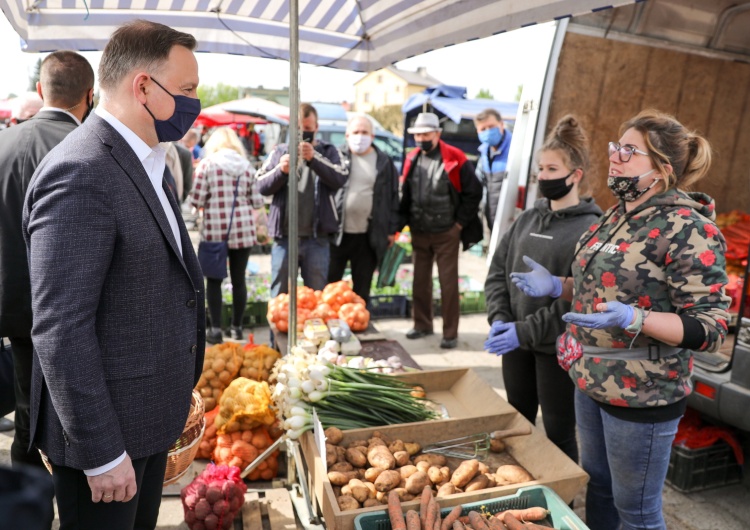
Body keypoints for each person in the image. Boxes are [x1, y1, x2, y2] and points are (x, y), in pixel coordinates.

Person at [23, 20, 205, 529]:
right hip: (104, 442)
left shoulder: (147, 160)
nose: (195, 102)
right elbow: (60, 327)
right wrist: (101, 452)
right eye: (187, 90)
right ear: (143, 85)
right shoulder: (82, 169)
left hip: (143, 422)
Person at [510, 109, 730, 530]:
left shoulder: (689, 229)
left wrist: (637, 318)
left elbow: (710, 328)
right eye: (616, 147)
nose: (616, 157)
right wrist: (558, 286)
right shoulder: (616, 216)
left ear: (662, 169)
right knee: (600, 490)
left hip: (642, 393)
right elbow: (600, 290)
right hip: (591, 380)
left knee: (639, 514)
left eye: (630, 151)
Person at [483, 115, 602, 464]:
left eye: (552, 169)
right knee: (516, 422)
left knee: (558, 432)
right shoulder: (527, 219)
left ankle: (563, 497)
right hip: (515, 344)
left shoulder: (591, 228)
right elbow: (497, 274)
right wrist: (501, 319)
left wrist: (525, 331)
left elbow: (580, 297)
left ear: (575, 175)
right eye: (540, 169)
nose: (543, 177)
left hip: (555, 351)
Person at [0, 50, 95, 473]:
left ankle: (29, 502)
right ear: (89, 96)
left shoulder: (4, 143)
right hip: (75, 312)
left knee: (28, 410)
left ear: (41, 90)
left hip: (13, 303)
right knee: (71, 416)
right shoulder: (89, 148)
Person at [398, 112, 483, 349]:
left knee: (448, 284)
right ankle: (422, 324)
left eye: (426, 134)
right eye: (418, 135)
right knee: (419, 281)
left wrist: (459, 225)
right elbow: (406, 194)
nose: (422, 138)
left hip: (447, 232)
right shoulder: (412, 158)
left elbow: (474, 192)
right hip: (419, 231)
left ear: (437, 133)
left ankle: (450, 333)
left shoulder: (455, 157)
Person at [257, 103, 348, 296]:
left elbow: (340, 178)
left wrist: (314, 159)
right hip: (285, 237)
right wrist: (281, 171)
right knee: (279, 295)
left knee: (316, 296)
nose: (303, 133)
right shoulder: (280, 152)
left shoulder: (329, 151)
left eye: (307, 128)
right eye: (299, 128)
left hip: (317, 239)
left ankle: (312, 327)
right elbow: (260, 185)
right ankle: (277, 328)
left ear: (316, 127)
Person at [190, 126, 264, 344]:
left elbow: (197, 200)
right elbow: (257, 201)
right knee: (239, 279)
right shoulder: (246, 166)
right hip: (243, 232)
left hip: (215, 232)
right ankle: (237, 328)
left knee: (214, 281)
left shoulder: (207, 165)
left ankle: (215, 330)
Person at [328, 114, 400, 304]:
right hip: (337, 234)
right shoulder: (336, 158)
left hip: (368, 235)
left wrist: (392, 230)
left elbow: (393, 198)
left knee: (361, 288)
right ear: (347, 135)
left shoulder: (384, 162)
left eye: (364, 132)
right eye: (356, 132)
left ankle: (359, 325)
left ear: (373, 136)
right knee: (330, 287)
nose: (360, 136)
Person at [474, 108, 512, 230]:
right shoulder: (484, 152)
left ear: (501, 124)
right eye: (483, 129)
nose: (488, 132)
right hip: (490, 217)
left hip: (510, 219)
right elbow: (478, 183)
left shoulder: (516, 149)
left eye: (491, 127)